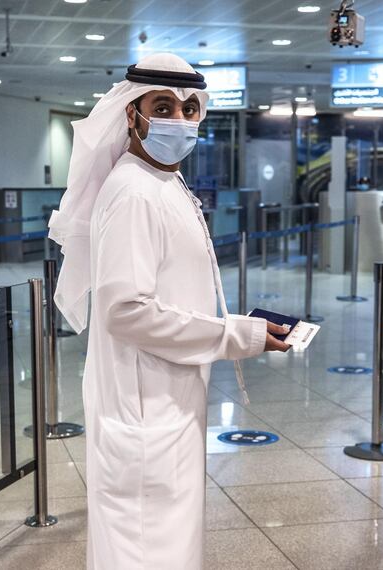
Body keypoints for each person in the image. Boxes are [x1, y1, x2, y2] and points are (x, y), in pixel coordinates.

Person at [48, 53, 290, 569]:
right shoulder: (134, 191)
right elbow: (125, 311)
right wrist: (235, 335)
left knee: (168, 543)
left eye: (188, 108)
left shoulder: (163, 181)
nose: (179, 120)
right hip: (144, 410)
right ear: (132, 114)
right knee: (146, 548)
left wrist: (237, 330)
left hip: (168, 399)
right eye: (164, 106)